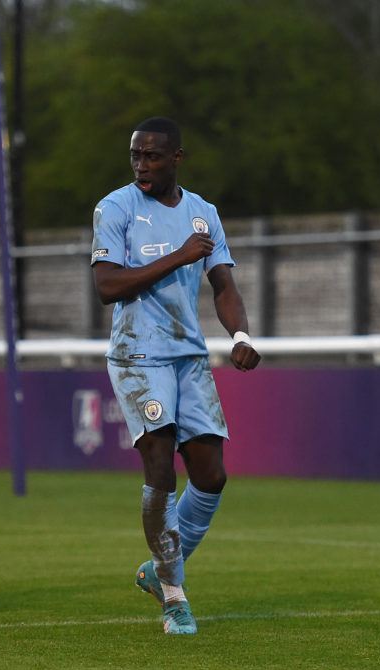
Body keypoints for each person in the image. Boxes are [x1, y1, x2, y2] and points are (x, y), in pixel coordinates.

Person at [90, 117, 262, 635]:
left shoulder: (203, 213)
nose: (142, 165)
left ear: (177, 159)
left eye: (153, 157)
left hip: (187, 357)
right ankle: (173, 596)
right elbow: (107, 286)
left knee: (211, 475)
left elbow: (223, 284)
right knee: (161, 471)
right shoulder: (115, 207)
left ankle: (159, 564)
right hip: (137, 356)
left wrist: (240, 337)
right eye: (135, 156)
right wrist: (179, 255)